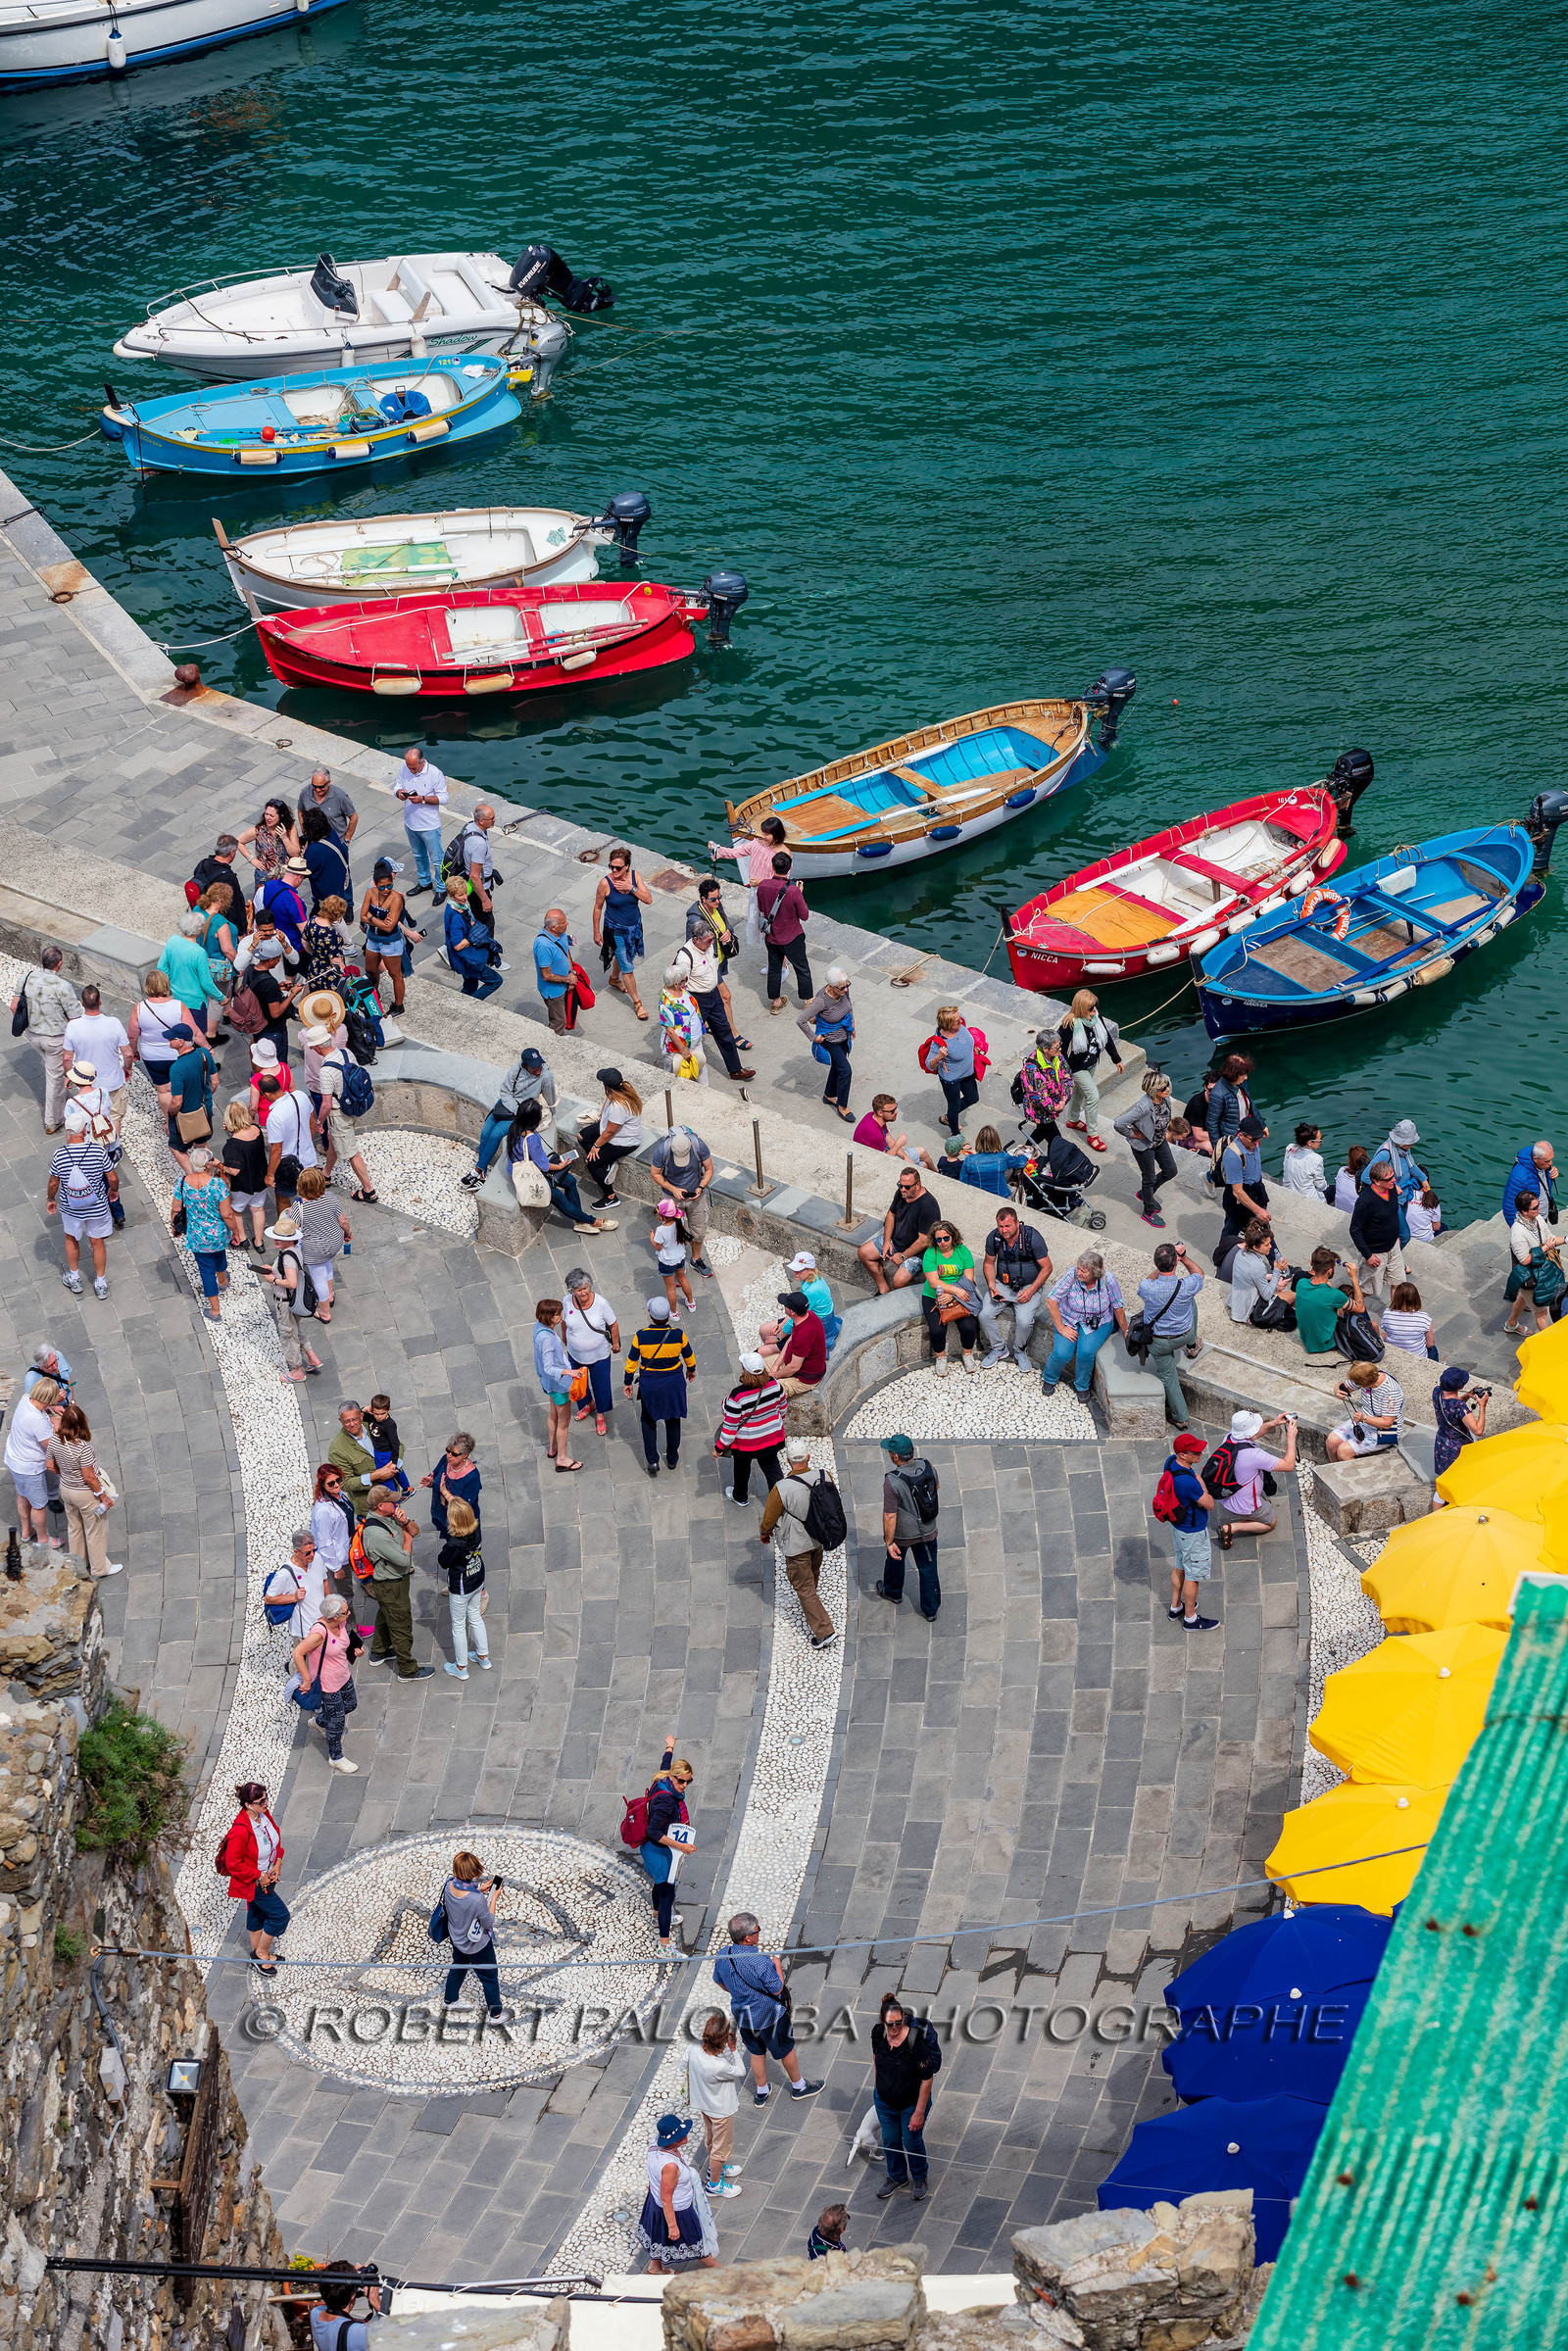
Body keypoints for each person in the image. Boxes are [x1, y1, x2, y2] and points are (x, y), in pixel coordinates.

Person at [713, 1911, 823, 2103]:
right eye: (757, 1930)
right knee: (786, 2050)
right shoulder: (761, 1962)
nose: (758, 1933)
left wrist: (738, 1993)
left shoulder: (723, 1955)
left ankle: (761, 2092)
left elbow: (720, 1982)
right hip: (771, 2018)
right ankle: (799, 2086)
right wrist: (778, 1965)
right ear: (747, 1938)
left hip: (744, 2017)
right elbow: (777, 1989)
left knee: (756, 2052)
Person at [759, 1439, 840, 1649]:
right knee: (812, 1576)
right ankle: (812, 1602)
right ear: (808, 1458)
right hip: (818, 1538)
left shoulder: (781, 1488)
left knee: (804, 1587)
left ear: (787, 1460)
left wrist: (764, 1533)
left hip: (796, 1545)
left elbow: (769, 1518)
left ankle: (824, 1631)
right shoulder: (824, 1476)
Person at [871, 1995, 941, 2204]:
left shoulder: (915, 2043)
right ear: (883, 2021)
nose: (894, 2027)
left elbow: (927, 2080)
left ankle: (919, 2178)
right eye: (890, 2023)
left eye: (898, 2022)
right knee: (891, 2140)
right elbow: (876, 2057)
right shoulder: (877, 2033)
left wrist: (918, 2113)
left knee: (911, 2141)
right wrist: (878, 2088)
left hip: (911, 2104)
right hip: (885, 2102)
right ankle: (897, 2177)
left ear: (904, 2018)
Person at [510, 1098, 613, 1234]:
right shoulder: (532, 1139)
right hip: (533, 1176)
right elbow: (544, 1166)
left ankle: (580, 1221)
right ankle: (594, 1221)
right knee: (561, 1201)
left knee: (570, 1181)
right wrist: (561, 1166)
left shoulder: (515, 1126)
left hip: (528, 1167)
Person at [43, 1401, 122, 1580]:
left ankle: (79, 1564)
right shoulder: (84, 1449)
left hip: (66, 1489)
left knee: (74, 1528)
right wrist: (103, 1496)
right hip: (85, 1493)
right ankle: (100, 1568)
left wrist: (65, 1473)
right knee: (95, 1531)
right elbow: (89, 1478)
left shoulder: (55, 1439)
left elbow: (49, 1465)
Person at [49, 1105, 120, 1300]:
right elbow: (112, 1177)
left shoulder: (59, 1155)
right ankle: (100, 1282)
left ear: (68, 1133)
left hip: (71, 1208)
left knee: (71, 1238)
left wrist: (50, 1199)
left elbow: (54, 1181)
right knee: (97, 1243)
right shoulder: (97, 1151)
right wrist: (114, 1191)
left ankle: (74, 1277)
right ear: (84, 1131)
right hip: (97, 1207)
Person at [361, 1486, 432, 1680]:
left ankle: (379, 1651)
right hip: (390, 1583)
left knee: (386, 1613)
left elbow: (415, 1532)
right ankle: (408, 1670)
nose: (397, 1502)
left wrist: (405, 1522)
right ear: (381, 1506)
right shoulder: (376, 1534)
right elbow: (403, 1560)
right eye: (392, 1501)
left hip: (395, 1580)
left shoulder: (391, 1515)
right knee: (401, 1625)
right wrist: (407, 1539)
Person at [465, 1044, 558, 1190]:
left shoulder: (546, 1075)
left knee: (495, 1135)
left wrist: (550, 1112)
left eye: (539, 1065)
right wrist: (515, 1108)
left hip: (521, 1113)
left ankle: (478, 1170)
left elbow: (550, 1096)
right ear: (525, 1065)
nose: (538, 1069)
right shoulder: (516, 1069)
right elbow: (505, 1091)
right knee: (485, 1133)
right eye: (534, 1068)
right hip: (506, 1106)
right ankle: (481, 1172)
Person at [218, 1783, 288, 1974]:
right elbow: (234, 1863)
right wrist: (259, 1876)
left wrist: (278, 1862)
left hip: (267, 1874)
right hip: (255, 1881)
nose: (266, 1803)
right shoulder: (240, 1831)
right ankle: (261, 1954)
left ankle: (257, 1953)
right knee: (280, 1915)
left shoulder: (263, 1816)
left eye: (266, 1798)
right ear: (248, 1805)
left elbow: (276, 1839)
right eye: (261, 1801)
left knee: (257, 1913)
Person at [10, 948, 81, 1135]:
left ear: (41, 960)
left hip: (33, 1035)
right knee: (55, 1079)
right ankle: (53, 1120)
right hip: (55, 1039)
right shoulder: (63, 986)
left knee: (52, 1072)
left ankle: (58, 1106)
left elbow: (14, 1006)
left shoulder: (27, 977)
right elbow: (75, 1019)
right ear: (59, 963)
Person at [635, 2115, 718, 2276]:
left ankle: (655, 2267)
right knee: (693, 2239)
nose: (686, 2135)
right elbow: (667, 2199)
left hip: (654, 2200)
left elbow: (653, 2174)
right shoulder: (670, 2166)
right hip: (677, 2209)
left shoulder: (654, 2144)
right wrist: (673, 2226)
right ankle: (713, 2265)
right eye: (681, 2135)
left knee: (658, 2236)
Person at [625, 1297, 698, 1477]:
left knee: (648, 1421)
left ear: (650, 1314)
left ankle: (653, 1460)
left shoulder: (640, 1336)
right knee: (673, 1420)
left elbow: (631, 1363)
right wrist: (691, 1371)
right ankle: (672, 1458)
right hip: (673, 1384)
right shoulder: (678, 1334)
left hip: (651, 1385)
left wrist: (628, 1382)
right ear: (668, 1316)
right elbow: (690, 1357)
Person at [674, 921, 754, 1082]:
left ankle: (735, 1069)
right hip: (697, 1000)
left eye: (712, 940)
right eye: (708, 941)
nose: (712, 943)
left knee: (724, 1031)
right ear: (696, 939)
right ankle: (684, 1069)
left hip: (714, 996)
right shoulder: (685, 957)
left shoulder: (710, 944)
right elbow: (680, 984)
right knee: (691, 1037)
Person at [1042, 1251, 1127, 1399]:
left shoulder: (1109, 1280)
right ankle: (1049, 1378)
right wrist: (1062, 1328)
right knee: (1062, 1353)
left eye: (1083, 1271)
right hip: (1069, 1319)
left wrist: (1126, 1330)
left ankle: (1082, 1385)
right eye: (1078, 1268)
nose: (1079, 1272)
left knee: (1086, 1353)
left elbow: (1118, 1306)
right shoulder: (1072, 1275)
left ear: (1095, 1272)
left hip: (1099, 1322)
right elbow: (1051, 1300)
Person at [1137, 1242, 1204, 1429]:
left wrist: (1162, 1265)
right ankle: (1192, 1346)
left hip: (1158, 1342)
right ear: (1175, 1263)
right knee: (1190, 1303)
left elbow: (1148, 1281)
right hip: (1184, 1334)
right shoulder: (1186, 1285)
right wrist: (1183, 1257)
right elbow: (1199, 1274)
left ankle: (1181, 1418)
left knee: (1169, 1378)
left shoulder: (1146, 1287)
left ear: (1156, 1263)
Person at [172, 1145, 242, 1321]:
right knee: (219, 1255)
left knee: (205, 1272)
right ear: (207, 1165)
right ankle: (223, 1281)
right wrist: (235, 1232)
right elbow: (227, 1214)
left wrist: (175, 1227)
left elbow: (175, 1209)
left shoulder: (182, 1183)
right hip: (217, 1233)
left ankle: (215, 1311)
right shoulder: (218, 1185)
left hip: (197, 1235)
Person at [1209, 1409, 1298, 1547]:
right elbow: (1288, 1465)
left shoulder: (1229, 1438)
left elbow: (1252, 1435)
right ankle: (1231, 1528)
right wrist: (1291, 1438)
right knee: (1271, 1523)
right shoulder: (1254, 1455)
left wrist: (1274, 1423)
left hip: (1226, 1495)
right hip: (1243, 1505)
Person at [292, 1595, 361, 1773]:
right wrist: (306, 1679)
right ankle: (336, 1757)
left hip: (343, 1675)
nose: (349, 1613)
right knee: (337, 1721)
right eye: (346, 1612)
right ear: (334, 1616)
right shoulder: (319, 1633)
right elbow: (298, 1653)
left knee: (351, 1704)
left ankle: (321, 1722)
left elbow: (342, 1644)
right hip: (327, 1684)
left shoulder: (341, 1624)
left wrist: (355, 1649)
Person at [979, 1205, 1053, 1367]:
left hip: (1028, 1285)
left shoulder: (1031, 1237)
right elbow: (989, 1263)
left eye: (1007, 1226)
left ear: (1017, 1223)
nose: (1004, 1230)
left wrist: (1032, 1290)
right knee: (984, 1315)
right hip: (1002, 1285)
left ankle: (1020, 1350)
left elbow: (1047, 1267)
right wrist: (992, 1285)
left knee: (1025, 1321)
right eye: (1000, 1226)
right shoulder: (994, 1237)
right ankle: (998, 1348)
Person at [876, 1433, 940, 1618]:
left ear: (895, 1456)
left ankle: (893, 1591)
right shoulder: (928, 1465)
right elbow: (936, 1488)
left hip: (902, 1534)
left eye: (889, 1451)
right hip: (927, 1529)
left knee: (895, 1560)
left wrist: (889, 1542)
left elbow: (889, 1515)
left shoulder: (892, 1481)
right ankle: (930, 1610)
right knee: (928, 1569)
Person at [639, 1736, 694, 1949]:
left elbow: (664, 1764)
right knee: (667, 1895)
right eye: (681, 1781)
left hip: (657, 1848)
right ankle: (665, 1946)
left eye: (688, 1781)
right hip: (658, 1850)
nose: (685, 1785)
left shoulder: (661, 1779)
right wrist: (680, 1846)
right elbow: (652, 1830)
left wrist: (670, 1746)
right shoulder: (666, 1800)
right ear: (673, 1777)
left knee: (660, 1887)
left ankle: (656, 1913)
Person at [1161, 1430, 1218, 1631]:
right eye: (1194, 1453)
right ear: (1183, 1455)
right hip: (1193, 1532)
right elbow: (1209, 1503)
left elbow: (1191, 1474)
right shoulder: (1187, 1483)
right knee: (1193, 1575)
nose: (1199, 1455)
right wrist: (1202, 1486)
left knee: (1180, 1564)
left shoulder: (1170, 1462)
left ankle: (1175, 1607)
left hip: (1179, 1529)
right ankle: (1190, 1619)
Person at [710, 813, 787, 961]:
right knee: (762, 927)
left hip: (772, 896)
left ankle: (782, 966)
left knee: (773, 931)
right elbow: (736, 852)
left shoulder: (783, 853)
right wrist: (717, 849)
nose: (763, 836)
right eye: (763, 833)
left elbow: (782, 881)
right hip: (757, 893)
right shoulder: (757, 844)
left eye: (767, 834)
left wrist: (761, 882)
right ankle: (774, 963)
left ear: (776, 834)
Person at [437, 1850, 503, 2018]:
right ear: (473, 1872)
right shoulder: (476, 1899)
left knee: (458, 1967)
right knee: (489, 1978)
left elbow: (463, 1899)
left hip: (457, 1939)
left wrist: (479, 1889)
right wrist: (493, 1897)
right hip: (476, 1945)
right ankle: (495, 2014)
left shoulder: (449, 1884)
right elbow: (488, 1922)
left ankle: (449, 2000)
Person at [715, 1354, 787, 1506]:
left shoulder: (737, 1396)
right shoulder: (774, 1385)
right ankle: (780, 1501)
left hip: (746, 1445)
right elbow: (782, 1408)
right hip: (772, 1438)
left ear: (744, 1371)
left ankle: (740, 1496)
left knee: (742, 1469)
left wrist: (719, 1447)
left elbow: (730, 1428)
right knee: (772, 1468)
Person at [263, 1211, 325, 1383]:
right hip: (293, 1299)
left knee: (288, 1334)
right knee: (295, 1329)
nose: (276, 1240)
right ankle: (312, 1358)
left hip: (285, 1301)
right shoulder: (293, 1250)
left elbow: (291, 1283)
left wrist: (273, 1279)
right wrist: (274, 1269)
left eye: (280, 1237)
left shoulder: (287, 1257)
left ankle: (296, 1371)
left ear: (290, 1238)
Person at [858, 1166, 941, 1296]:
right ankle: (883, 1288)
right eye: (900, 1185)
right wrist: (886, 1241)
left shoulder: (928, 1206)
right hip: (896, 1241)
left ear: (917, 1185)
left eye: (907, 1187)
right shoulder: (901, 1193)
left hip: (917, 1251)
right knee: (864, 1253)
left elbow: (924, 1240)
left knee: (899, 1281)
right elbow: (891, 1214)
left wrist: (903, 1256)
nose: (903, 1189)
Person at [690, 2013, 748, 2199]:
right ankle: (714, 2185)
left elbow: (684, 2066)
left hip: (704, 2104)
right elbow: (740, 2070)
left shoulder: (693, 2050)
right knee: (720, 2149)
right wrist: (733, 2050)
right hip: (721, 2110)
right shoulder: (719, 2066)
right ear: (723, 2041)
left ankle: (716, 2170)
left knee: (711, 2139)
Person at [1058, 990, 1124, 1152]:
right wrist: (1067, 1074)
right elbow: (1060, 1051)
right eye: (1090, 1008)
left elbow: (1107, 1038)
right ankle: (1093, 1135)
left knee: (1079, 1094)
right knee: (1093, 1096)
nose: (1094, 1010)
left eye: (1095, 1006)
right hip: (1077, 1067)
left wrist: (1116, 1059)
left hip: (1092, 1062)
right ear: (1081, 1008)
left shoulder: (1095, 1017)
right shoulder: (1070, 1024)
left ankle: (1072, 1119)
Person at [593, 845, 654, 1020]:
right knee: (628, 967)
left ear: (627, 866)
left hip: (634, 927)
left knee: (624, 956)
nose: (614, 870)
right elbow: (597, 907)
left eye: (618, 867)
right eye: (611, 866)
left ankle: (613, 979)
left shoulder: (635, 877)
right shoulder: (606, 883)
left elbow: (648, 899)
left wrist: (631, 888)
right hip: (615, 930)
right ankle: (637, 1003)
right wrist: (596, 932)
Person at [62, 986, 132, 1133]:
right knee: (115, 1117)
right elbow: (128, 1054)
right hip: (112, 1081)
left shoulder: (73, 1026)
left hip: (86, 1082)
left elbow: (67, 1057)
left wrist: (69, 1075)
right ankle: (112, 1150)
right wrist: (127, 1068)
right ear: (100, 1002)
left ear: (82, 1003)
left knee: (90, 1117)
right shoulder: (114, 1023)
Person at [648, 1127, 715, 1278]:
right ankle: (676, 1264)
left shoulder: (698, 1145)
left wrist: (700, 1187)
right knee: (672, 1233)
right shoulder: (662, 1150)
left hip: (696, 1198)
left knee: (699, 1231)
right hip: (672, 1199)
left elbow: (709, 1169)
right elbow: (655, 1173)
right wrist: (673, 1189)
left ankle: (696, 1259)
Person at [1113, 1069, 1178, 1225]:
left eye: (1167, 1085)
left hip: (1159, 1141)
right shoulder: (1142, 1107)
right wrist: (1133, 1134)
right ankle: (1148, 1211)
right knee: (1148, 1178)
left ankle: (1145, 1194)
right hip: (1144, 1146)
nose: (1168, 1089)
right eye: (1163, 1088)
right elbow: (1118, 1123)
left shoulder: (1166, 1100)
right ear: (1154, 1091)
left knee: (1171, 1171)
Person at [688, 875, 748, 1041]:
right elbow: (690, 944)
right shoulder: (695, 919)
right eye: (713, 899)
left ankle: (705, 1021)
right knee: (725, 996)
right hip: (708, 965)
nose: (717, 902)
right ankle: (733, 1033)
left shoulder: (717, 908)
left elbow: (726, 924)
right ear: (703, 899)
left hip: (719, 960)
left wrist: (729, 931)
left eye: (719, 897)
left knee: (706, 999)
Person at [5, 1376, 62, 1546]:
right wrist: (56, 1424)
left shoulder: (25, 1400)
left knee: (23, 1495)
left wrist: (52, 1407)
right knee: (39, 1504)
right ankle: (44, 1539)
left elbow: (41, 1404)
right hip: (30, 1468)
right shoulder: (37, 1421)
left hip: (14, 1460)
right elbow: (51, 1447)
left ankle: (26, 1530)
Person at [918, 1218, 980, 1376]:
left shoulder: (962, 1250)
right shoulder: (931, 1253)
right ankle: (940, 1358)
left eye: (946, 1238)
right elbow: (933, 1281)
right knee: (937, 1330)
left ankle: (967, 1354)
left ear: (953, 1236)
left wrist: (953, 1295)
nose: (943, 1242)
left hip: (961, 1293)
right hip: (935, 1296)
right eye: (939, 1239)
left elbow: (969, 1279)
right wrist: (953, 1291)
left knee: (968, 1327)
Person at [359, 859, 421, 1012]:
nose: (386, 889)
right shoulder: (370, 893)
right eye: (382, 886)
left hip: (390, 942)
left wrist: (371, 919)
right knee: (371, 970)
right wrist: (378, 921)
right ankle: (374, 996)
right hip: (373, 940)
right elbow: (362, 917)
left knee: (395, 974)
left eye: (389, 886)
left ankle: (398, 1005)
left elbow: (389, 927)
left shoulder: (396, 898)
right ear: (375, 884)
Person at [564, 1271, 620, 1436]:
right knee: (579, 1384)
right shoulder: (566, 1301)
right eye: (578, 1290)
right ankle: (587, 1404)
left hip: (599, 1355)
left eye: (585, 1288)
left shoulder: (601, 1303)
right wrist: (564, 1338)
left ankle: (601, 1414)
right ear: (571, 1291)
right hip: (575, 1354)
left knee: (601, 1385)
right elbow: (564, 1321)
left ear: (590, 1286)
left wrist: (615, 1344)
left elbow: (614, 1324)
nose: (582, 1293)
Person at [576, 1069, 643, 1207]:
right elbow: (607, 1103)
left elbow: (610, 1132)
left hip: (624, 1141)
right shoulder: (623, 1089)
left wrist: (596, 1147)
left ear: (606, 1086)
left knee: (591, 1162)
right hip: (609, 1130)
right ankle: (606, 1163)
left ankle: (610, 1196)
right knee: (582, 1137)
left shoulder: (619, 1106)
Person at [439, 1495, 490, 1679]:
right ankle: (483, 1656)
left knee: (459, 1625)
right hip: (477, 1578)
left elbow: (443, 1562)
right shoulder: (476, 1529)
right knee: (475, 1616)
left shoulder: (454, 1544)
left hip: (461, 1586)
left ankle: (461, 1667)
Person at [159, 907, 225, 1040]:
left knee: (185, 1034)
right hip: (196, 1002)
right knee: (197, 1036)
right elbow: (206, 983)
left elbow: (161, 966)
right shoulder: (199, 952)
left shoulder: (173, 941)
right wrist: (221, 998)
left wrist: (174, 979)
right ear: (199, 930)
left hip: (178, 997)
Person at [294, 1167, 351, 1321]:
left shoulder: (299, 1206)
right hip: (334, 1242)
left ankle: (324, 1313)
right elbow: (343, 1221)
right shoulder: (331, 1197)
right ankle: (330, 1295)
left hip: (314, 1249)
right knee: (327, 1263)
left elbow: (294, 1229)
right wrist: (347, 1233)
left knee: (318, 1277)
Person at [758, 851, 812, 1010]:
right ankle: (808, 1001)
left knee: (774, 968)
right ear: (790, 867)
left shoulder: (763, 885)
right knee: (802, 968)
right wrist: (800, 894)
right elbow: (804, 915)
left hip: (772, 936)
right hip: (792, 936)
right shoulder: (793, 890)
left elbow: (761, 908)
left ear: (772, 866)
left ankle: (775, 1002)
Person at [1505, 1189, 1565, 1334]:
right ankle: (1548, 1343)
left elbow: (1549, 1238)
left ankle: (1511, 1324)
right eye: (1535, 1207)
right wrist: (1546, 1248)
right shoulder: (1517, 1232)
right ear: (1524, 1211)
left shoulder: (1537, 1219)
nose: (1539, 1208)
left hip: (1540, 1271)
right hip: (1530, 1276)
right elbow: (1525, 1260)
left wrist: (1565, 1240)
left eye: (1538, 1205)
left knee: (1524, 1298)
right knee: (1541, 1313)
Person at [797, 966, 854, 1116]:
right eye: (842, 988)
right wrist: (814, 1037)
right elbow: (801, 1020)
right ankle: (842, 1106)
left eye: (847, 985)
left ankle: (829, 1095)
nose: (846, 990)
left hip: (843, 1037)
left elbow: (849, 1005)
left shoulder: (843, 989)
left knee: (837, 1067)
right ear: (831, 986)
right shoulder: (821, 1001)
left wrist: (852, 1023)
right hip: (830, 1040)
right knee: (846, 1071)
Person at [329, 1401, 401, 1517]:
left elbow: (398, 1445)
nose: (352, 1424)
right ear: (340, 1421)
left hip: (390, 1495)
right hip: (370, 1508)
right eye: (347, 1421)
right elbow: (345, 1483)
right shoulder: (337, 1449)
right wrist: (375, 1476)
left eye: (355, 1419)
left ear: (361, 1416)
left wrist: (395, 1464)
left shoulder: (374, 1425)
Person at [128, 971, 184, 1120]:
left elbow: (133, 1036)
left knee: (163, 1090)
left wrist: (134, 1052)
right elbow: (193, 1032)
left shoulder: (139, 1008)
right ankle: (186, 1120)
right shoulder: (178, 1006)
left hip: (152, 1056)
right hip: (176, 1054)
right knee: (180, 1087)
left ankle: (169, 1122)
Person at [1293, 1247, 1366, 1358]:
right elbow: (1360, 1308)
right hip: (1325, 1344)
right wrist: (1354, 1278)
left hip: (1307, 1340)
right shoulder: (1333, 1294)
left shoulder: (1301, 1283)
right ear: (1330, 1271)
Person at [394, 746, 448, 897]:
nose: (410, 770)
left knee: (437, 860)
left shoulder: (435, 774)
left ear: (422, 762)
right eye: (409, 767)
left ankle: (441, 887)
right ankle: (424, 882)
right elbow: (397, 785)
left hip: (429, 825)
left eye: (414, 768)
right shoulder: (405, 768)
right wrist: (399, 793)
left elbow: (444, 798)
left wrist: (423, 799)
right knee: (418, 855)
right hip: (410, 822)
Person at [534, 1298, 581, 1472]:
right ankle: (562, 1457)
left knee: (553, 1413)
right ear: (548, 1316)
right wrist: (571, 1373)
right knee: (564, 1421)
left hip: (549, 1384)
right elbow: (548, 1367)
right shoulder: (547, 1339)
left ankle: (552, 1449)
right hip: (559, 1384)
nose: (562, 1315)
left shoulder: (538, 1327)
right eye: (558, 1314)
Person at [1326, 1360, 1406, 1461]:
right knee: (1331, 1441)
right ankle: (1335, 1470)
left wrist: (1363, 1418)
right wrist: (1337, 1390)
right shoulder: (1368, 1377)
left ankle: (1351, 1476)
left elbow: (1387, 1423)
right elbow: (1342, 1386)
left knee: (1343, 1452)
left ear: (1365, 1383)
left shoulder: (1391, 1392)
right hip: (1363, 1422)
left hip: (1383, 1432)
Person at [1349, 1158, 1404, 1303]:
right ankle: (1350, 1308)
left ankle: (1395, 1316)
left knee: (1398, 1282)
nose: (1394, 1180)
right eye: (1389, 1179)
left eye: (1393, 1176)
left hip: (1393, 1246)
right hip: (1375, 1252)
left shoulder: (1391, 1189)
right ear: (1377, 1181)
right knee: (1367, 1290)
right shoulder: (1365, 1201)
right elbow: (1355, 1230)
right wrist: (1368, 1255)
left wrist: (1395, 1236)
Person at [220, 1097, 270, 1251]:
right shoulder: (256, 1129)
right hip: (260, 1178)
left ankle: (242, 1238)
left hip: (243, 1184)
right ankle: (259, 1242)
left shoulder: (233, 1144)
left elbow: (234, 1170)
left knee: (236, 1210)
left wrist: (220, 1166)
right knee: (257, 1209)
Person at [1218, 1114, 1272, 1256]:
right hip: (1239, 1197)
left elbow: (1259, 1131)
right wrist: (1259, 1211)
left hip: (1256, 1189)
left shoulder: (1252, 1141)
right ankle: (1222, 1256)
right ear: (1241, 1135)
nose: (1257, 1142)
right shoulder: (1233, 1155)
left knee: (1233, 1228)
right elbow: (1237, 1192)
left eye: (1259, 1138)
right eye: (1253, 1139)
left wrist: (1261, 1131)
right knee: (1233, 1229)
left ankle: (1275, 1261)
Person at [443, 874, 503, 999]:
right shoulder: (456, 917)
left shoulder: (457, 907)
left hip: (463, 959)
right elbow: (458, 945)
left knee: (470, 985)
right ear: (451, 896)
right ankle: (472, 1005)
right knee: (495, 981)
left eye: (465, 893)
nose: (465, 897)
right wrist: (473, 938)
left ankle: (462, 1005)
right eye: (460, 895)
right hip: (468, 959)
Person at [760, 1290, 829, 1396]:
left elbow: (794, 1367)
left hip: (803, 1379)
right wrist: (776, 1365)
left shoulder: (804, 1335)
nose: (784, 1306)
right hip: (791, 1364)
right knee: (756, 1367)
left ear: (792, 1312)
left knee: (768, 1392)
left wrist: (775, 1375)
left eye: (786, 1305)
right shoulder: (808, 1315)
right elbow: (790, 1341)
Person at [1432, 1366, 1490, 1486]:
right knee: (1458, 1481)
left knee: (1445, 1481)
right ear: (1460, 1387)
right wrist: (1482, 1406)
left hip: (1442, 1443)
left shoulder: (1437, 1391)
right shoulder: (1459, 1406)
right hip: (1457, 1448)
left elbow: (1450, 1404)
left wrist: (1467, 1396)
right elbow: (1478, 1430)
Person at [307, 2263, 383, 2350]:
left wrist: (349, 2278)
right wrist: (375, 2301)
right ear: (353, 2295)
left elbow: (333, 2295)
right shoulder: (359, 2333)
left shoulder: (316, 2313)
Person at [1229, 1218, 1290, 1327]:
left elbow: (1251, 1277)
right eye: (1267, 1245)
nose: (1270, 1247)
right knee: (1291, 1296)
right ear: (1255, 1247)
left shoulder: (1241, 1253)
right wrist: (1276, 1271)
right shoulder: (1258, 1265)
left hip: (1237, 1300)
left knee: (1279, 1288)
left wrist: (1273, 1278)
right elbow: (1266, 1295)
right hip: (1248, 1310)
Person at [929, 1004, 980, 1136]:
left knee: (973, 1098)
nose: (960, 1020)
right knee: (954, 1106)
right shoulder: (939, 1042)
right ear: (948, 1025)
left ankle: (948, 1118)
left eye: (959, 1017)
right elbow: (930, 1064)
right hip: (951, 1079)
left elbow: (965, 1040)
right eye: (957, 1020)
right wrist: (939, 1057)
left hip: (967, 1073)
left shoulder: (960, 1023)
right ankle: (955, 1135)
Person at [1018, 1026, 1073, 1146]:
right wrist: (1056, 1107)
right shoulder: (1032, 1070)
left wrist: (1064, 1099)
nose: (1060, 1049)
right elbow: (1038, 1098)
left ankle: (1024, 1154)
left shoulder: (1057, 1056)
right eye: (1056, 1047)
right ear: (1045, 1049)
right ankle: (1051, 1162)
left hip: (1055, 1104)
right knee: (1056, 1140)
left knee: (1042, 1132)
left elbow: (1068, 1078)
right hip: (1041, 1111)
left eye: (1060, 1045)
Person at [422, 1430, 482, 1538]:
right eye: (448, 1451)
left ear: (465, 1455)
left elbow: (463, 1509)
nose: (449, 1456)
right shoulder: (446, 1460)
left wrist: (445, 1493)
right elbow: (435, 1475)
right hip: (442, 1512)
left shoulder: (472, 1477)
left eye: (454, 1454)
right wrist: (431, 1482)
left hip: (459, 1521)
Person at [852, 1093, 936, 1167]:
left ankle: (937, 1172)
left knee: (922, 1153)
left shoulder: (873, 1116)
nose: (896, 1112)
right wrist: (898, 1144)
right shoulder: (874, 1133)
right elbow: (884, 1161)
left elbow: (889, 1139)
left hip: (884, 1154)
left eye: (895, 1108)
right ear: (880, 1113)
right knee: (923, 1165)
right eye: (892, 1111)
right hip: (874, 1163)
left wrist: (906, 1157)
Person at [658, 963, 708, 1088]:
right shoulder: (666, 1002)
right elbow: (670, 1030)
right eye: (685, 980)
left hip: (695, 1042)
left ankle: (705, 1092)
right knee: (676, 1076)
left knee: (701, 1070)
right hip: (679, 1047)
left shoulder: (682, 990)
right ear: (676, 983)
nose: (686, 982)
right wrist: (684, 1050)